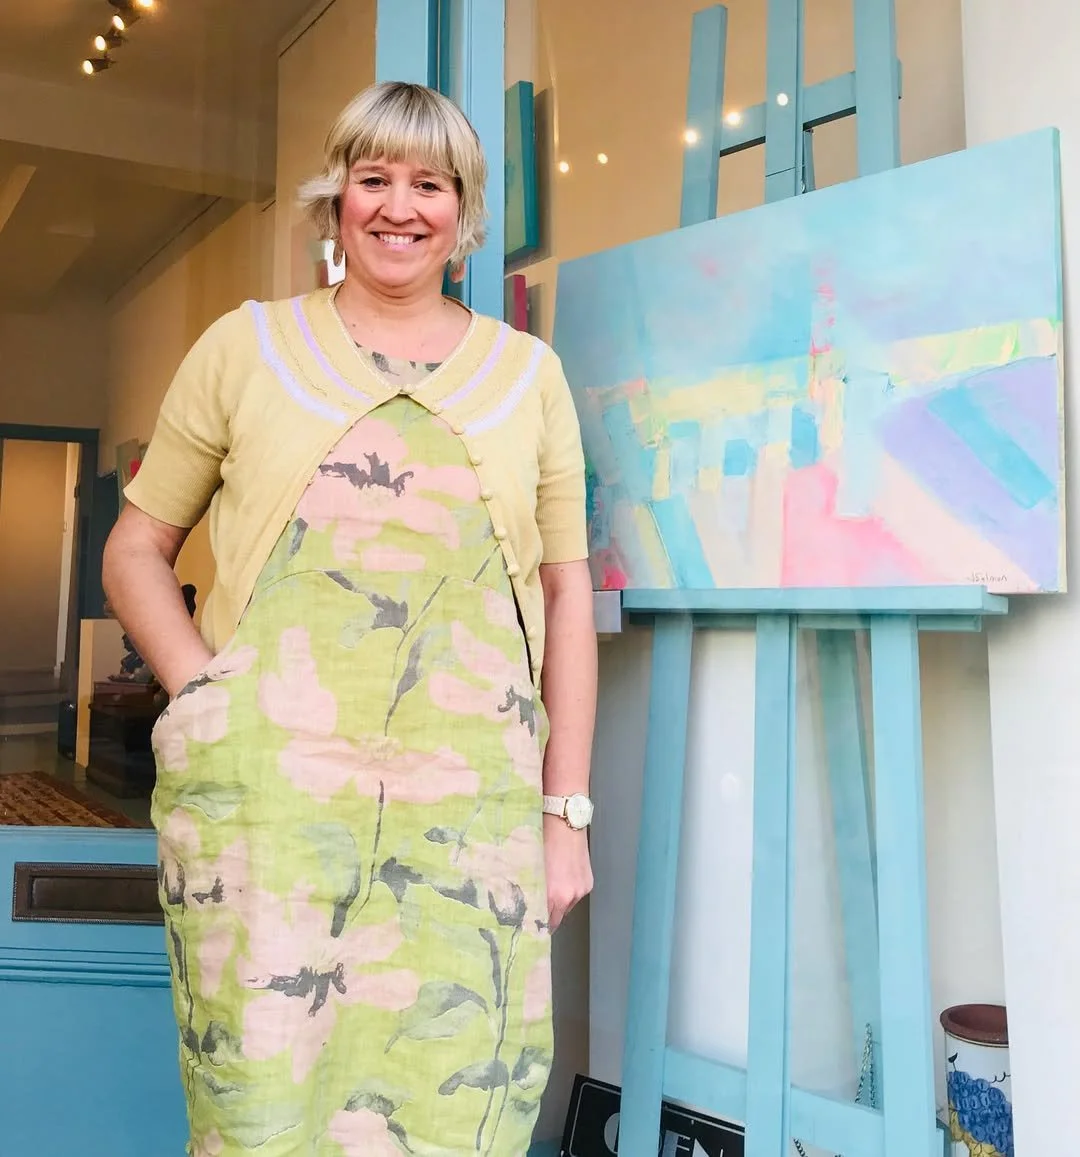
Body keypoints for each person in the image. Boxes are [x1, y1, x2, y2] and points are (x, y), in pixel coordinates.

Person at [102, 81, 597, 1156]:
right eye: (373, 178)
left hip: (472, 830)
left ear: (463, 215)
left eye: (429, 183)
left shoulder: (529, 377)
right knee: (263, 1105)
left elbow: (566, 593)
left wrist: (565, 817)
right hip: (271, 817)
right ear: (337, 199)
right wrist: (208, 701)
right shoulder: (248, 348)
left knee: (461, 1101)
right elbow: (135, 548)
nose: (398, 206)